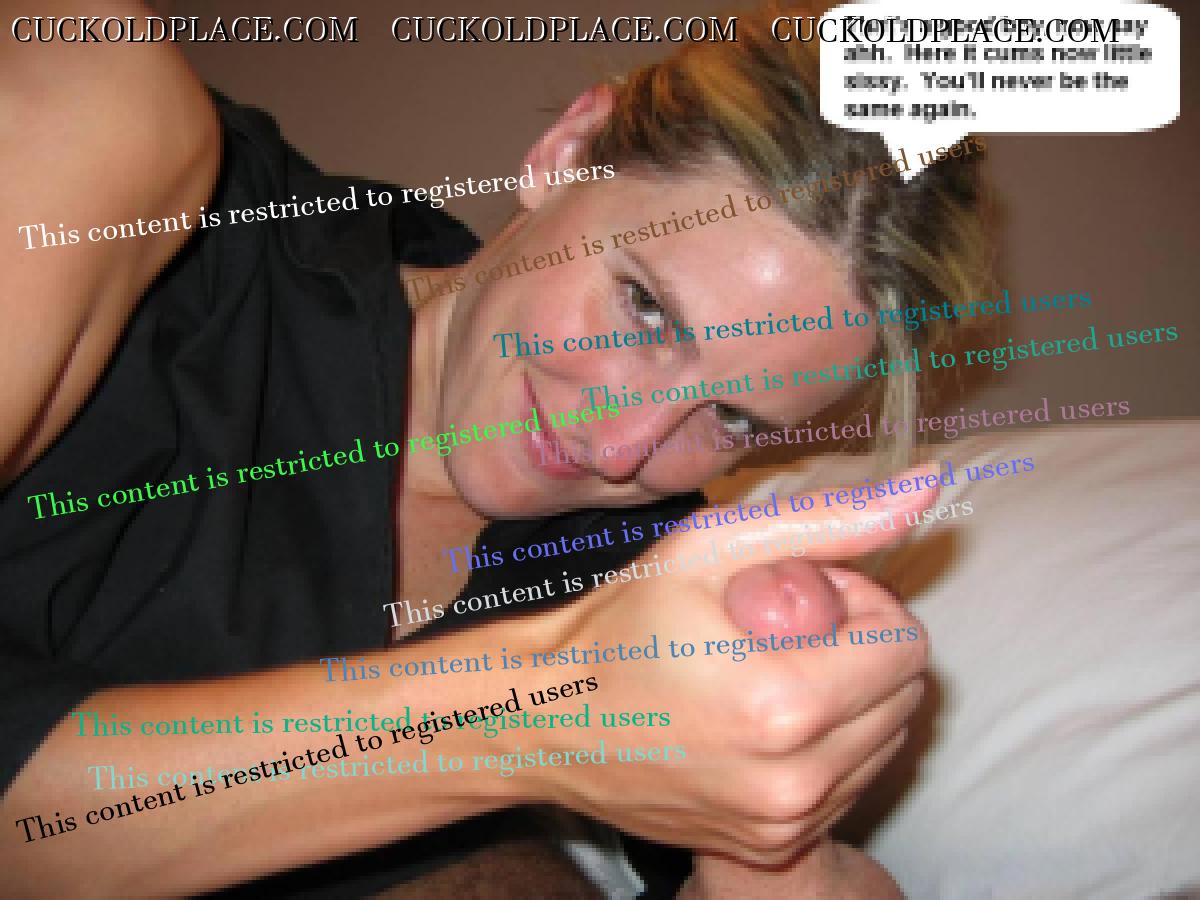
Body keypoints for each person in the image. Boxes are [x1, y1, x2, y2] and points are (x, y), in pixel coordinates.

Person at [0, 2, 988, 896]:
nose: (621, 446)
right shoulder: (117, 138)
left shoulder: (654, 577)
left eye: (732, 419)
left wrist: (777, 850)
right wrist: (533, 712)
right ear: (567, 150)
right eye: (645, 309)